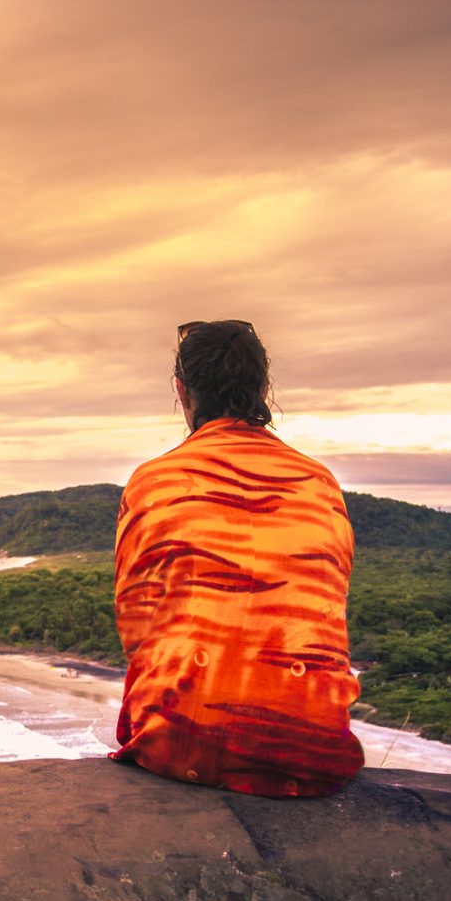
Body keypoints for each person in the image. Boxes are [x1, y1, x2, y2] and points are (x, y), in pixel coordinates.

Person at [109, 319, 364, 797]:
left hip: (178, 745)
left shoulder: (154, 482)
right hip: (311, 752)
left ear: (183, 392)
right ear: (264, 387)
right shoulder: (319, 483)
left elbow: (136, 624)